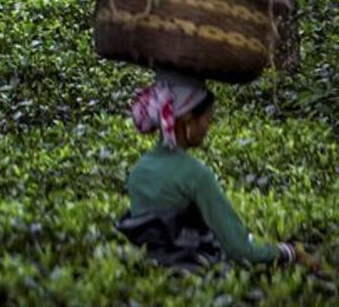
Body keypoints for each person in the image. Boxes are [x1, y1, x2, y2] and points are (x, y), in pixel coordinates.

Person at [117, 72, 324, 273]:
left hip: (149, 278)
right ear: (188, 120)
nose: (208, 127)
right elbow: (241, 251)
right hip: (195, 281)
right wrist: (290, 252)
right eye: (207, 119)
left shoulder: (139, 170)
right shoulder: (195, 175)